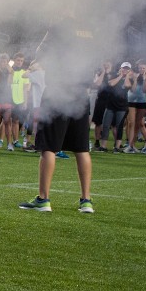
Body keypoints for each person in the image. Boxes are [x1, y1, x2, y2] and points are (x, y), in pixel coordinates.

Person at [18, 50, 94, 214]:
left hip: (57, 94)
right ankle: (86, 201)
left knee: (48, 147)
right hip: (81, 96)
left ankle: (43, 199)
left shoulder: (58, 36)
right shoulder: (88, 40)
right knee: (81, 149)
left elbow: (41, 53)